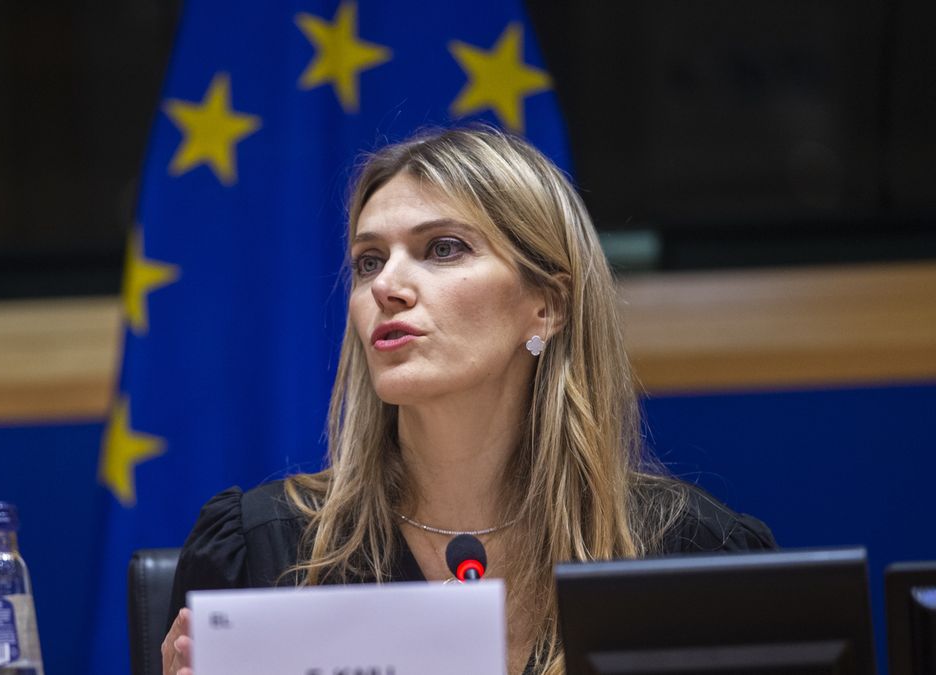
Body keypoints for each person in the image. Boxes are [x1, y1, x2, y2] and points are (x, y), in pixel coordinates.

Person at [160, 126, 775, 675]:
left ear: (548, 305)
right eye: (368, 261)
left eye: (443, 248)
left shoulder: (690, 558)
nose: (388, 287)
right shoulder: (264, 554)